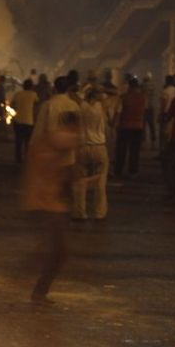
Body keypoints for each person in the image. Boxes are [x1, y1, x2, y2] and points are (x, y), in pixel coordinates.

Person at [23, 111, 81, 305]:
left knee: (56, 251)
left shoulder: (46, 143)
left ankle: (37, 287)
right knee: (59, 252)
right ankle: (34, 285)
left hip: (49, 204)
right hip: (48, 205)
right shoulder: (55, 141)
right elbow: (65, 142)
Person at [72, 88, 109, 221]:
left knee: (81, 181)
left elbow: (75, 95)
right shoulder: (102, 107)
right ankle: (100, 212)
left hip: (83, 147)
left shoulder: (82, 106)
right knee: (100, 182)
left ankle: (80, 212)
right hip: (99, 147)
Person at [113, 77, 147, 178]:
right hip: (138, 127)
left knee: (121, 151)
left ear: (129, 86)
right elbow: (143, 113)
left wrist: (115, 123)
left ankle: (118, 171)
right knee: (134, 151)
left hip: (124, 126)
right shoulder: (142, 98)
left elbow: (118, 112)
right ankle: (133, 171)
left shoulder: (124, 97)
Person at [10, 79, 38, 163]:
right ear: (31, 86)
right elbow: (37, 104)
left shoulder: (18, 94)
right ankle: (27, 159)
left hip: (18, 121)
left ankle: (18, 160)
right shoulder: (33, 95)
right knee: (28, 142)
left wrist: (18, 109)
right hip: (29, 122)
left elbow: (12, 105)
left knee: (18, 142)